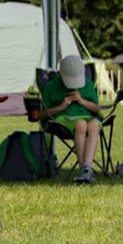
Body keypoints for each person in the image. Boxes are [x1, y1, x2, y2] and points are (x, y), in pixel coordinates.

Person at [41, 54, 102, 184]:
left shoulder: (88, 83)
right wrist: (62, 106)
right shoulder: (51, 87)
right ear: (61, 74)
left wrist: (82, 101)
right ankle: (84, 170)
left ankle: (86, 168)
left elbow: (97, 109)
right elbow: (42, 114)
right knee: (81, 124)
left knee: (94, 125)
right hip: (63, 120)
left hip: (89, 117)